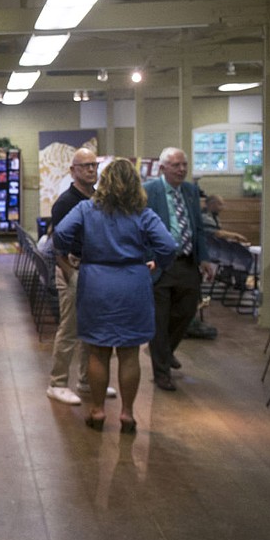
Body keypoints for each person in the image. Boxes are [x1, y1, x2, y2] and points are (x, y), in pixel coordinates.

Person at [54, 159, 176, 431]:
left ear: (104, 183)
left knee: (98, 352)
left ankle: (97, 411)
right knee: (129, 353)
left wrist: (66, 255)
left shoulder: (86, 208)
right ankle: (127, 414)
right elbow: (168, 245)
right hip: (132, 282)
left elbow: (60, 233)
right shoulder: (143, 213)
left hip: (96, 281)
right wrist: (159, 263)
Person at [144, 148, 215, 391]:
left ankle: (164, 350)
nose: (182, 169)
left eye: (184, 164)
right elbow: (140, 228)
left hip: (187, 262)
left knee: (185, 313)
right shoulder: (149, 191)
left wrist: (204, 258)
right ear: (162, 168)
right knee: (159, 320)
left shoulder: (191, 191)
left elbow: (199, 229)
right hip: (160, 264)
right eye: (176, 165)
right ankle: (161, 373)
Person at [46, 148, 114, 405]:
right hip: (72, 267)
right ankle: (58, 382)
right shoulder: (65, 202)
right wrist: (69, 273)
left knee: (92, 327)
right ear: (72, 170)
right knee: (70, 327)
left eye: (94, 165)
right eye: (84, 166)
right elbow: (58, 244)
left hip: (96, 268)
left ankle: (87, 379)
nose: (90, 170)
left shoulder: (99, 198)